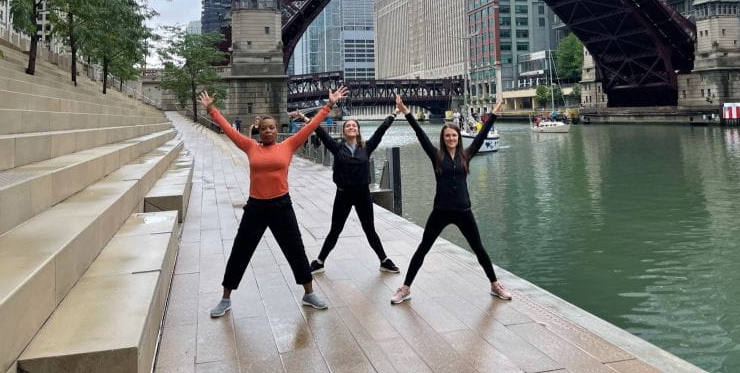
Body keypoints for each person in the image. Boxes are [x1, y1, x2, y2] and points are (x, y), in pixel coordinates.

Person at [198, 86, 348, 318]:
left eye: (272, 128)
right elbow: (228, 130)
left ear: (277, 131)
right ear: (259, 130)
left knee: (295, 249)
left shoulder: (288, 146)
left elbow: (310, 128)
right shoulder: (250, 147)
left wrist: (328, 106)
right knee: (240, 250)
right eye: (264, 128)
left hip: (281, 206)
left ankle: (308, 293)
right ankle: (225, 298)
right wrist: (212, 110)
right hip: (256, 207)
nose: (268, 131)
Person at [390, 95, 513, 304]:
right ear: (443, 138)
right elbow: (420, 135)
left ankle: (495, 285)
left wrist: (495, 112)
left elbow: (481, 136)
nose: (451, 139)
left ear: (458, 137)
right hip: (441, 210)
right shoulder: (436, 156)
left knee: (479, 249)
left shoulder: (467, 155)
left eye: (454, 136)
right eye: (447, 136)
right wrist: (406, 112)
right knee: (422, 248)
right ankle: (405, 288)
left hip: (464, 210)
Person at [298, 103, 400, 274]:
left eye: (354, 125)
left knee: (370, 229)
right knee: (335, 230)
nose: (351, 127)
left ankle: (384, 260)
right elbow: (320, 131)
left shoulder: (366, 147)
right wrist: (305, 118)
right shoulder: (337, 148)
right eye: (348, 126)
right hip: (343, 194)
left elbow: (381, 131)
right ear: (344, 131)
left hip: (362, 195)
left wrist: (395, 113)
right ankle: (320, 261)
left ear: (358, 131)